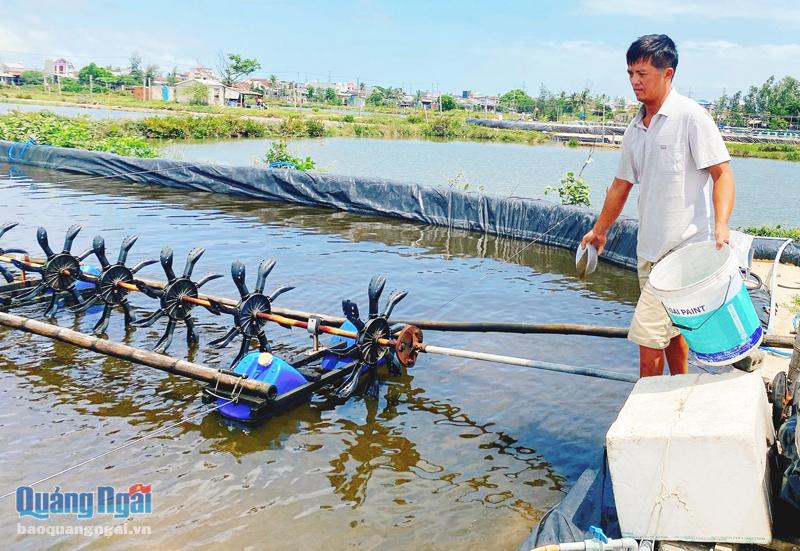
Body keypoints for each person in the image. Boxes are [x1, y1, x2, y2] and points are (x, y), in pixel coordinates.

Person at [581, 34, 736, 378]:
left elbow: (722, 174)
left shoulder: (691, 117)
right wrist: (599, 230)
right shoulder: (636, 127)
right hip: (648, 251)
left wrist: (722, 224)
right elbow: (621, 185)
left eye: (643, 74)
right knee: (672, 334)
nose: (635, 81)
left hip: (682, 253)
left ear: (668, 74)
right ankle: (679, 390)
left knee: (648, 341)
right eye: (630, 73)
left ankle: (644, 419)